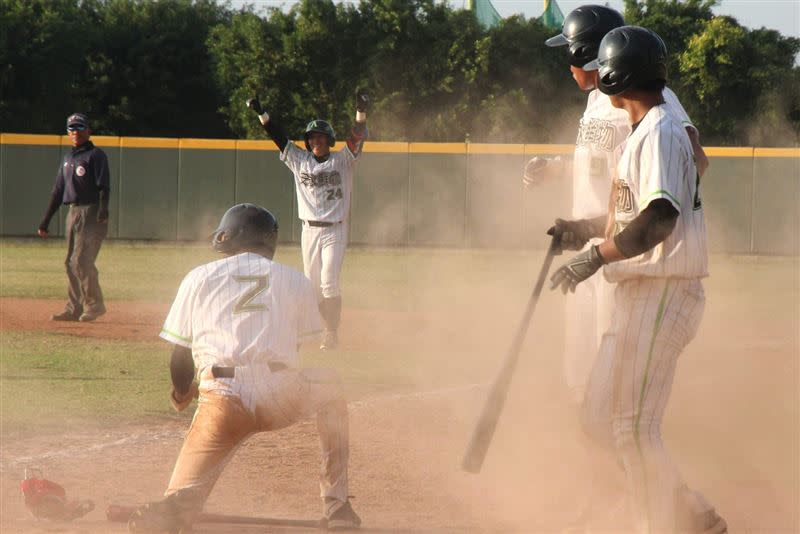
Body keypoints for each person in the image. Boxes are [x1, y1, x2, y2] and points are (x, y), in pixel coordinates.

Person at [549, 26, 726, 533]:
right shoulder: (645, 128)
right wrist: (579, 231)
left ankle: (661, 524)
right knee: (597, 419)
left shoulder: (660, 130)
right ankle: (690, 513)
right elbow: (630, 218)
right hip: (640, 293)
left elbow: (659, 220)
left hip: (664, 291)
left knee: (632, 429)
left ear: (613, 75)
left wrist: (596, 258)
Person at [127, 203, 360, 533]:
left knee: (184, 490)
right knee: (331, 388)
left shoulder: (198, 277)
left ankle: (180, 505)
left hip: (221, 399)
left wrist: (182, 392)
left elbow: (179, 356)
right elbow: (295, 350)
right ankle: (337, 506)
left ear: (231, 236)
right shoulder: (295, 280)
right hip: (282, 394)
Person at [527, 4, 709, 406]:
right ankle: (591, 443)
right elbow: (601, 162)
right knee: (582, 362)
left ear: (587, 53)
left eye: (569, 52)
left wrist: (659, 207)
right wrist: (566, 185)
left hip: (628, 252)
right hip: (600, 242)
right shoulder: (600, 101)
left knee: (613, 371)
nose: (567, 63)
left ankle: (618, 439)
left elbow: (693, 158)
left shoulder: (649, 97)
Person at [246, 92, 369, 351]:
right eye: (312, 137)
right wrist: (261, 112)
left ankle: (331, 332)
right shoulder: (299, 160)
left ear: (329, 140)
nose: (315, 141)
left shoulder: (342, 160)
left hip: (335, 229)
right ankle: (311, 329)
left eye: (320, 137)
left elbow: (356, 139)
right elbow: (278, 137)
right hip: (309, 230)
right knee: (310, 285)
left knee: (328, 280)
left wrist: (361, 112)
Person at [38, 112, 110, 322]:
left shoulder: (96, 155)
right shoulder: (68, 158)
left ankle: (94, 305)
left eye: (79, 128)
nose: (75, 132)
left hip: (91, 211)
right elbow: (58, 192)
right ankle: (74, 308)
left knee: (81, 260)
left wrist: (104, 210)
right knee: (69, 263)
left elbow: (104, 186)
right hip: (73, 211)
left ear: (88, 130)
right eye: (71, 129)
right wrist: (45, 220)